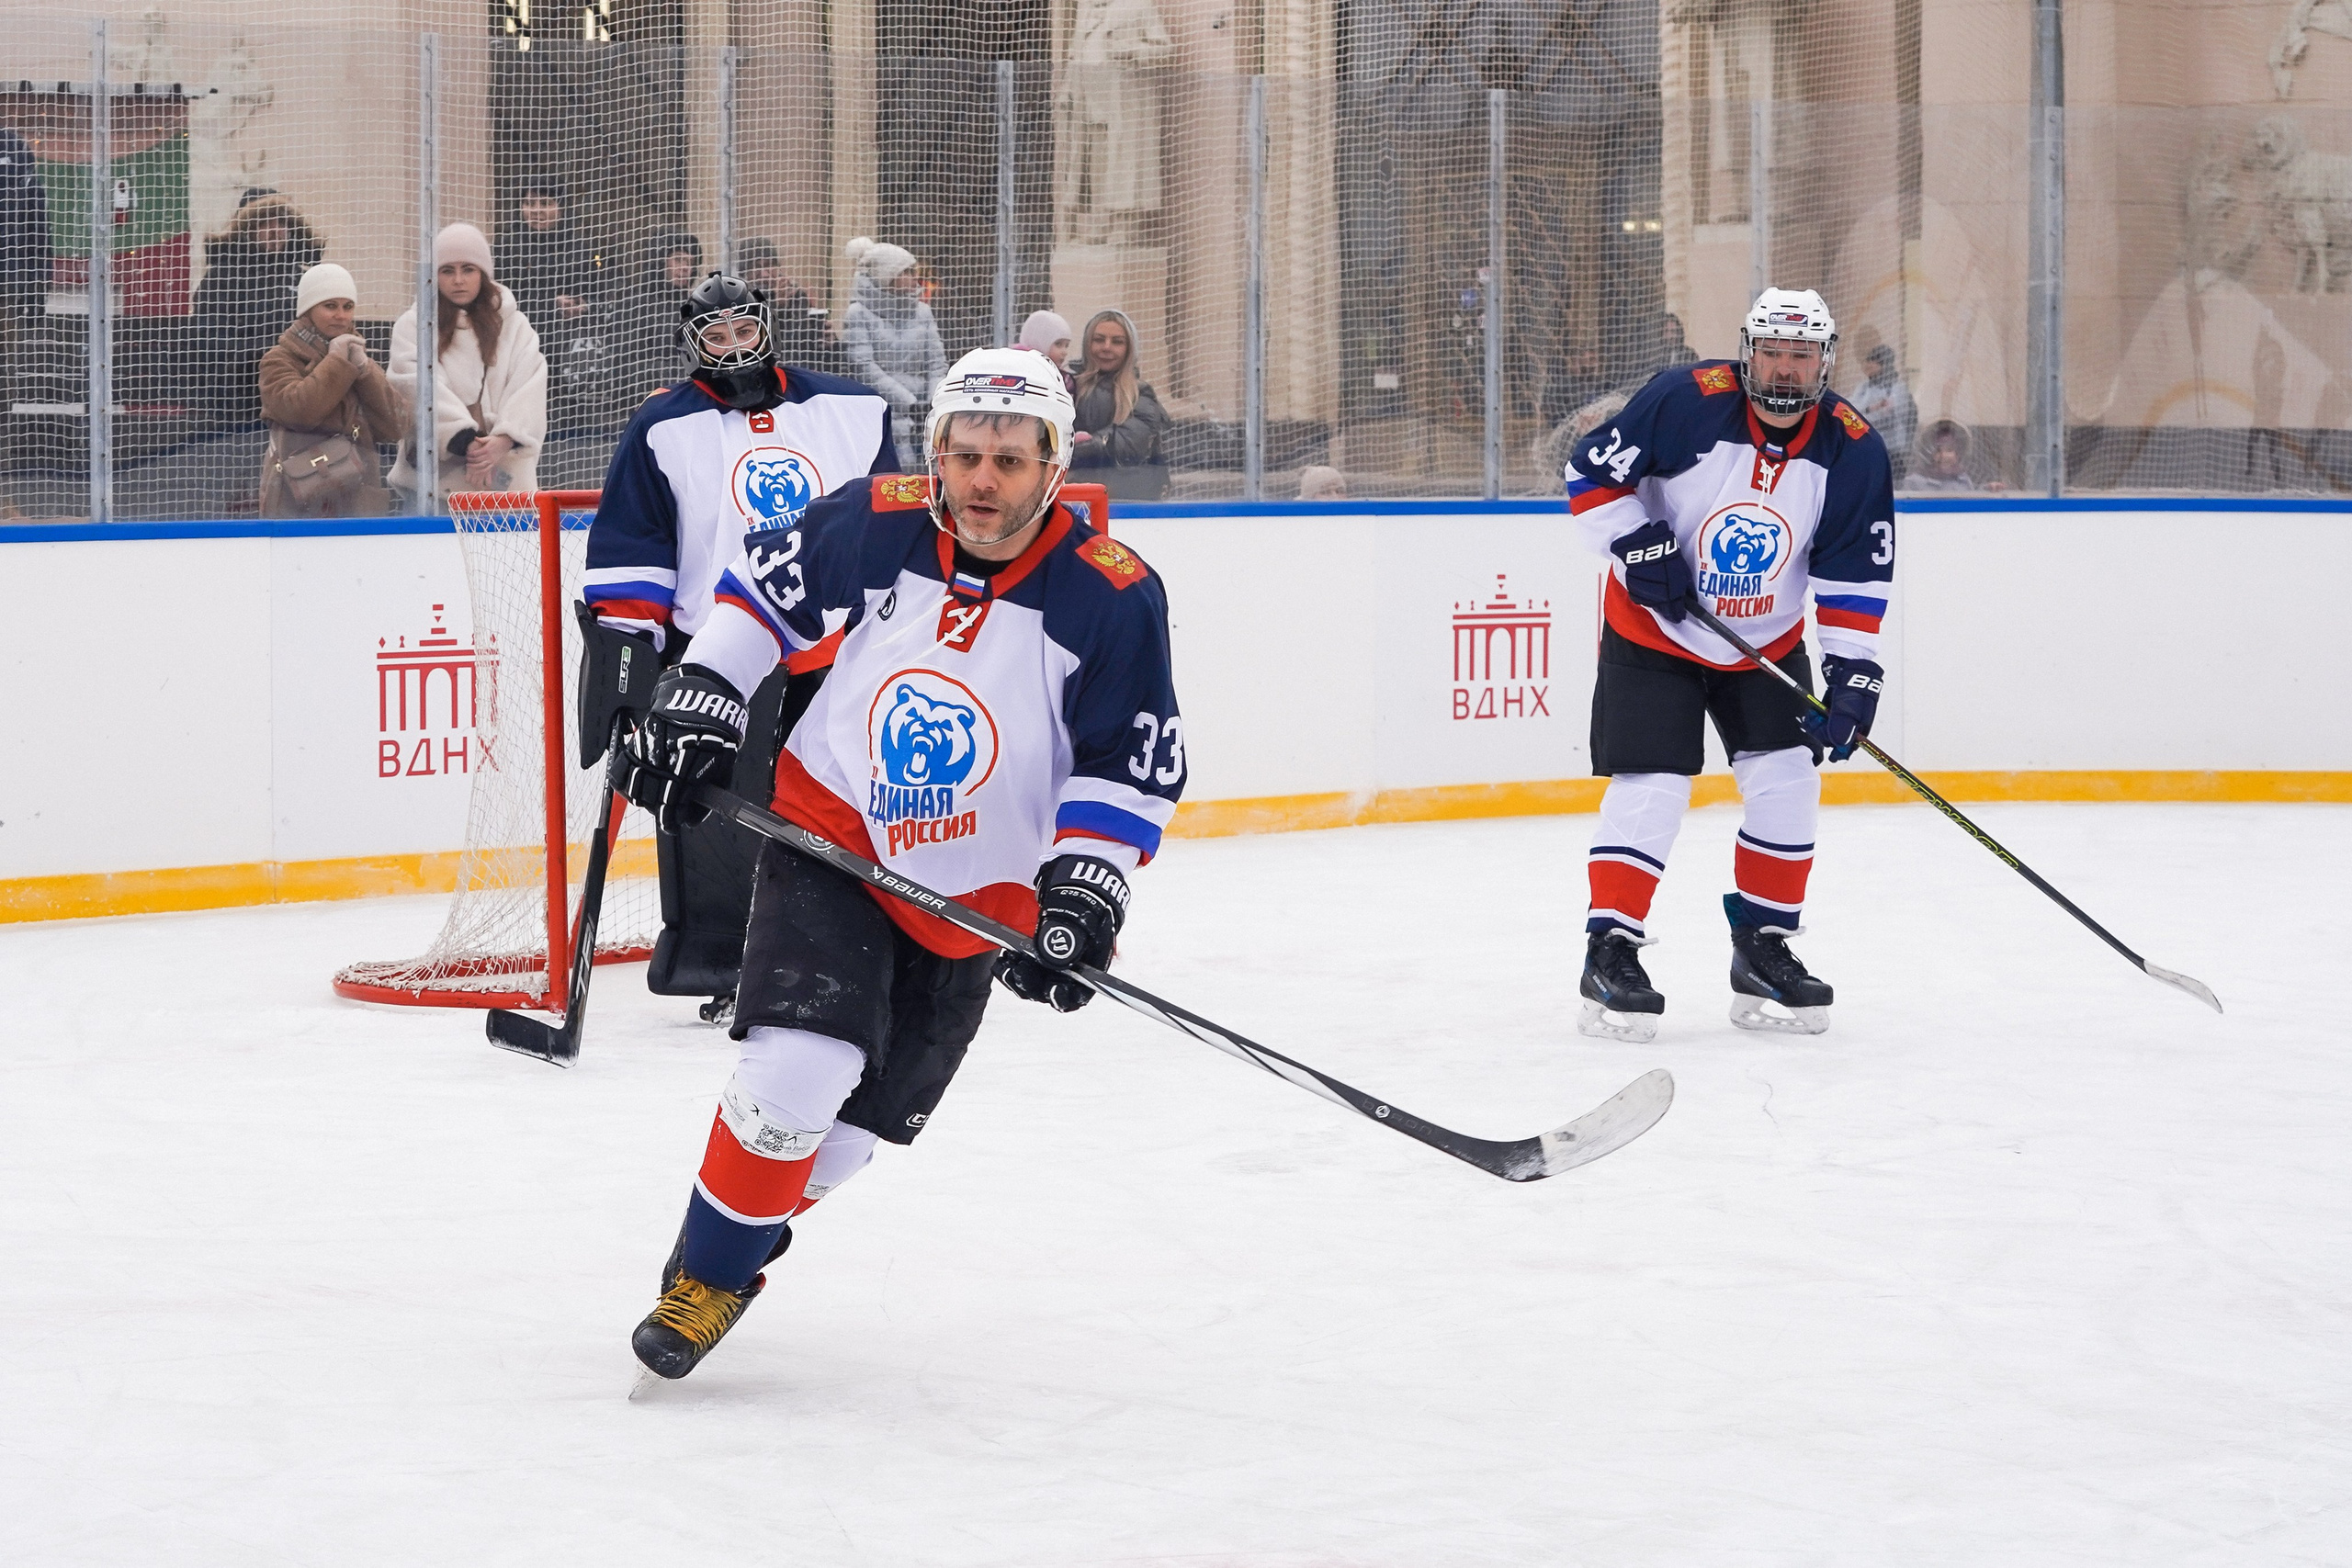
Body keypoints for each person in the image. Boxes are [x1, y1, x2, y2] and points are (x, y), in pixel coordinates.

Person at [612, 347, 1183, 1382]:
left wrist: (1088, 887)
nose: (980, 481)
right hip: (834, 826)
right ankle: (709, 1277)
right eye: (964, 455)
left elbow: (1124, 760)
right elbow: (762, 596)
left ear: (1054, 464)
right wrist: (705, 690)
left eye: (1008, 461)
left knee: (852, 1134)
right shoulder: (880, 516)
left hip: (976, 890)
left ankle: (732, 1238)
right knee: (800, 1067)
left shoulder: (1113, 595)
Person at [1563, 287, 1895, 1041]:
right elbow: (1589, 477)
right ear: (1749, 352)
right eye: (1773, 352)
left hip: (1765, 645)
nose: (1785, 370)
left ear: (1824, 361)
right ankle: (1610, 948)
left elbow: (1852, 576)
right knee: (1653, 786)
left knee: (1786, 781)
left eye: (1801, 355)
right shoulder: (1685, 401)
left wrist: (1854, 673)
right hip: (1653, 631)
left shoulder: (1851, 445)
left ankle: (1763, 946)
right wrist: (1640, 546)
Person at [580, 270, 899, 1016]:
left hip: (833, 644)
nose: (732, 348)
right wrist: (629, 663)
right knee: (714, 804)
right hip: (721, 648)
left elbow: (890, 524)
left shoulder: (851, 409)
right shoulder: (663, 426)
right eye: (714, 336)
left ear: (765, 327)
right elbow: (636, 545)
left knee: (845, 796)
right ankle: (723, 966)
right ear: (692, 343)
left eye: (743, 331)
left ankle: (856, 954)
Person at [389, 222, 548, 497]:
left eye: (468, 269)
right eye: (447, 270)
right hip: (434, 488)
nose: (458, 280)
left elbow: (530, 385)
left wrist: (503, 440)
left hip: (506, 485)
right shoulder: (413, 326)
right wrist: (464, 441)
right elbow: (414, 384)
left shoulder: (516, 325)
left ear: (483, 274)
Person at [255, 263, 408, 518]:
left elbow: (397, 425)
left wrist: (366, 372)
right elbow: (299, 411)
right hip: (297, 501)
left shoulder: (356, 358)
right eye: (330, 306)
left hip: (356, 500)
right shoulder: (279, 359)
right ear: (307, 310)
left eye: (348, 306)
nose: (341, 315)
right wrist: (337, 363)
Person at [189, 193, 323, 430]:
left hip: (296, 395)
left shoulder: (303, 277)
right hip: (237, 400)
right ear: (248, 229)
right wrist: (264, 356)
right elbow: (208, 336)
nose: (275, 230)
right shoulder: (222, 276)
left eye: (281, 222)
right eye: (265, 223)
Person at [840, 236, 946, 468]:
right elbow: (865, 367)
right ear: (886, 277)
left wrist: (933, 402)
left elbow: (937, 364)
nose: (913, 278)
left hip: (926, 418)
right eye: (906, 272)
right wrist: (909, 403)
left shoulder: (923, 312)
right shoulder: (858, 313)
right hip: (883, 417)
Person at [1069, 308, 1170, 500]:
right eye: (1099, 340)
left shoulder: (1141, 394)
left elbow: (1131, 440)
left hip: (1128, 500)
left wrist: (1085, 446)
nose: (1107, 347)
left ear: (1129, 349)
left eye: (1117, 342)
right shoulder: (1068, 387)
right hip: (1077, 497)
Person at [738, 238, 847, 378]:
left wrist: (831, 344)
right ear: (744, 273)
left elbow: (805, 348)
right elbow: (763, 347)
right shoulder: (742, 301)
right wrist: (779, 309)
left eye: (769, 265)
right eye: (757, 267)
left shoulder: (796, 295)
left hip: (805, 375)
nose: (764, 274)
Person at [0, 128, 49, 396]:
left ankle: (4, 428)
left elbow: (38, 235)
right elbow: (39, 236)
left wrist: (36, 294)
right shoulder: (26, 176)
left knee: (5, 360)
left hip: (8, 281)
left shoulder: (14, 150)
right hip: (11, 278)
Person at [1849, 341, 1917, 483]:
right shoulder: (1864, 387)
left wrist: (1869, 413)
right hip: (1867, 446)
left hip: (1892, 450)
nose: (1867, 366)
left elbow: (1890, 416)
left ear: (1883, 365)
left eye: (1872, 362)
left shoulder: (1897, 388)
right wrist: (1871, 408)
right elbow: (1851, 410)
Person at [1905, 417, 1977, 491]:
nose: (1943, 456)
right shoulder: (1914, 482)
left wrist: (1986, 490)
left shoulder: (1963, 480)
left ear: (1959, 454)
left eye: (1949, 450)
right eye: (1937, 450)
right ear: (1928, 454)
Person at [1016, 310, 1075, 392]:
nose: (1064, 352)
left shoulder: (1063, 379)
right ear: (1039, 341)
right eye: (1058, 344)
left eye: (1066, 346)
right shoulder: (1016, 372)